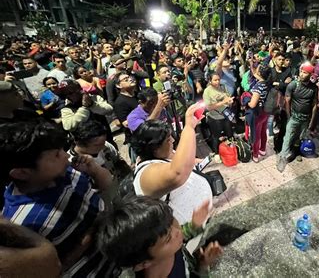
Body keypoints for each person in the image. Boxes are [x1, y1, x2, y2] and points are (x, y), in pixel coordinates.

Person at [0, 121, 117, 277]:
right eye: (56, 154)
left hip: (120, 254)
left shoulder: (67, 170)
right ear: (21, 173)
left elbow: (106, 187)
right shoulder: (21, 224)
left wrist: (95, 170)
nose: (66, 155)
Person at [96, 196, 223, 278]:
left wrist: (194, 225)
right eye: (168, 238)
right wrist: (203, 268)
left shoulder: (167, 245)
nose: (177, 232)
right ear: (144, 263)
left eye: (171, 222)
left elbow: (179, 235)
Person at [131, 103, 213, 224]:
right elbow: (177, 173)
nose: (173, 141)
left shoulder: (163, 154)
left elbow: (183, 159)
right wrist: (189, 127)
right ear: (154, 147)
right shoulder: (145, 173)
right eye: (168, 140)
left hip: (202, 222)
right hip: (186, 235)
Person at [277, 62, 318, 172]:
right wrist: (289, 116)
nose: (301, 74)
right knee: (288, 137)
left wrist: (312, 120)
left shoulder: (314, 88)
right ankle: (282, 158)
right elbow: (287, 101)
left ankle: (297, 152)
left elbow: (314, 105)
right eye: (301, 71)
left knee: (300, 137)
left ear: (310, 74)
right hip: (294, 117)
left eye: (305, 73)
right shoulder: (293, 85)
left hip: (306, 118)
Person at [202, 72, 234, 152]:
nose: (217, 82)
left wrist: (229, 102)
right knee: (216, 137)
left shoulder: (223, 87)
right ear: (210, 81)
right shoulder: (207, 91)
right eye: (215, 80)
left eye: (218, 80)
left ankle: (231, 151)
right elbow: (208, 107)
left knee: (230, 134)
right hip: (215, 118)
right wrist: (223, 102)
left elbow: (227, 97)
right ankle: (216, 152)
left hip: (225, 116)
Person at [247, 64, 271, 162]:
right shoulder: (267, 82)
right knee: (263, 131)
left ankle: (255, 155)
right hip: (265, 111)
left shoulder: (258, 86)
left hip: (257, 113)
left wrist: (246, 100)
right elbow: (255, 74)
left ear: (260, 73)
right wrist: (251, 65)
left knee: (256, 134)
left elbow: (252, 104)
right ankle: (263, 149)